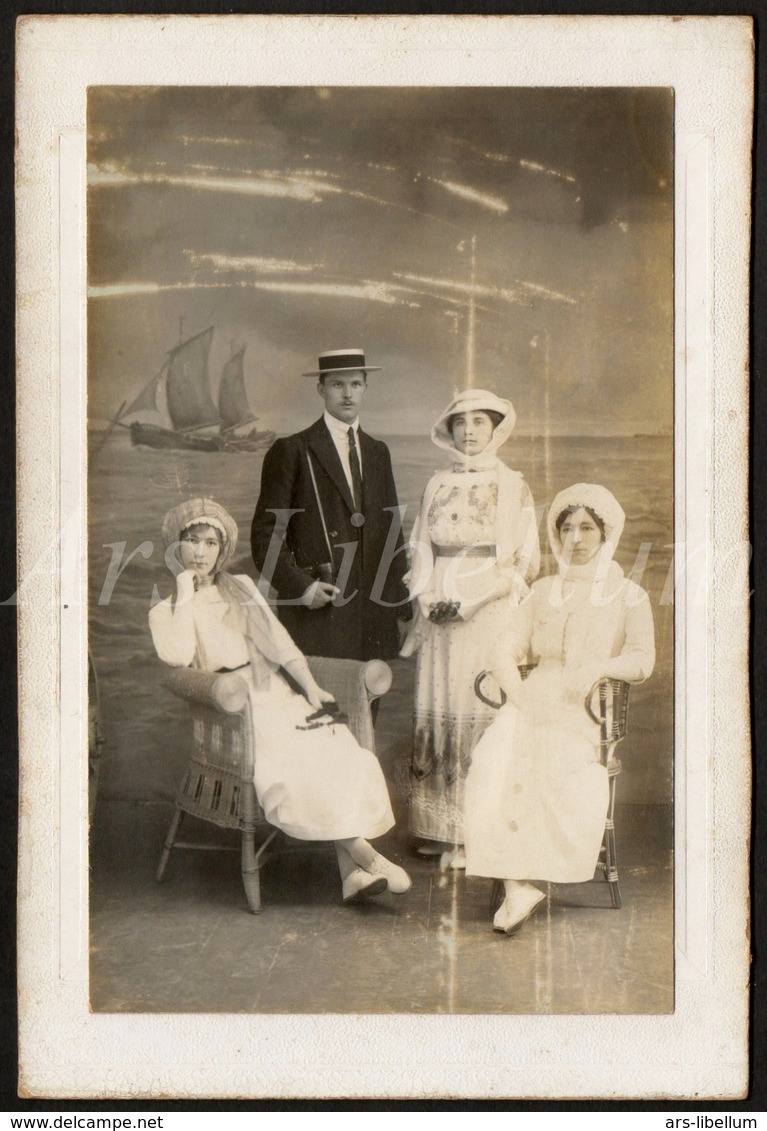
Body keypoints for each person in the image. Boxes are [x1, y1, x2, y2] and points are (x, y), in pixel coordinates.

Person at [149, 497, 412, 904]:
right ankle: (367, 857)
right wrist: (184, 589)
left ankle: (351, 877)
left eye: (210, 543)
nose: (200, 552)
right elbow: (179, 658)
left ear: (221, 549)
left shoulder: (242, 589)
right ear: (175, 547)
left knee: (338, 750)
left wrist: (311, 689)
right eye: (191, 542)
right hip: (232, 710)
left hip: (274, 691)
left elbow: (281, 645)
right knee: (295, 764)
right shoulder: (165, 610)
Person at [463, 483, 656, 934]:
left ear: (606, 532)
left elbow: (642, 658)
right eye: (567, 527)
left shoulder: (628, 594)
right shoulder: (544, 589)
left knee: (555, 766)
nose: (577, 538)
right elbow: (503, 650)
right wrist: (519, 694)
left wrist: (598, 671)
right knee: (489, 764)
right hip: (532, 702)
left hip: (586, 711)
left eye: (587, 527)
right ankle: (517, 885)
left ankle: (520, 883)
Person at [400, 389, 540, 865]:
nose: (470, 430)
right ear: (449, 429)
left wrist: (470, 602)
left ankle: (478, 830)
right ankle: (440, 827)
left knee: (478, 704)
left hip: (488, 608)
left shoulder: (513, 485)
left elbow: (522, 562)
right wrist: (427, 596)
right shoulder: (436, 483)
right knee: (441, 701)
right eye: (461, 422)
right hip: (439, 608)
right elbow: (419, 548)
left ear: (497, 427)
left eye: (480, 421)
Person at [250, 349, 411, 662]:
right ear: (320, 389)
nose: (348, 394)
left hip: (372, 614)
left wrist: (402, 608)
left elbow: (392, 533)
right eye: (338, 385)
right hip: (319, 610)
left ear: (366, 388)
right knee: (321, 707)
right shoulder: (292, 450)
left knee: (367, 705)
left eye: (355, 384)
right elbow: (264, 538)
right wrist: (302, 587)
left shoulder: (378, 452)